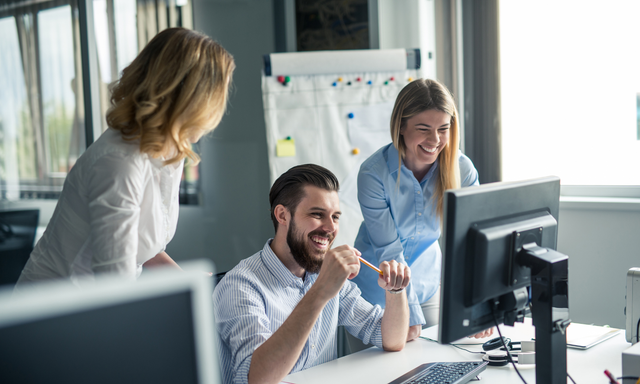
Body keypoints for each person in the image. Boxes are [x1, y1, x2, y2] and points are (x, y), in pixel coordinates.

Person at [15, 28, 235, 287]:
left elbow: (143, 247)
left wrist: (189, 283)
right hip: (57, 309)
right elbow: (115, 283)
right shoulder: (119, 162)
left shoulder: (168, 151)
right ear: (194, 100)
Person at [213, 164, 412, 384]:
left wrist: (395, 290)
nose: (330, 228)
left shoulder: (323, 274)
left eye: (335, 217)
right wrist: (321, 291)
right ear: (282, 215)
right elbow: (257, 379)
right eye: (317, 214)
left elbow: (391, 339)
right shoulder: (240, 286)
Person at [351, 79, 492, 341]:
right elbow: (390, 252)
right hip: (374, 293)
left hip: (428, 286)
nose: (435, 140)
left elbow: (472, 241)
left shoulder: (462, 170)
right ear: (401, 126)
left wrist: (478, 300)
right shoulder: (374, 174)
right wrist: (408, 314)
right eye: (423, 128)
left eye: (443, 129)